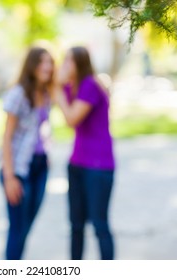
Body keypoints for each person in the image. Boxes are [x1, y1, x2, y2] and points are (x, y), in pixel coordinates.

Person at [55, 46, 115, 260]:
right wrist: (61, 87)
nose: (64, 65)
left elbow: (72, 119)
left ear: (79, 63)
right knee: (76, 226)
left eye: (68, 61)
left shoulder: (90, 85)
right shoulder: (75, 87)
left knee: (99, 224)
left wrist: (57, 90)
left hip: (98, 166)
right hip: (78, 163)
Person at [0, 46, 54, 260]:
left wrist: (47, 152)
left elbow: (42, 127)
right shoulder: (18, 94)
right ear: (32, 65)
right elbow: (6, 138)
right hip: (19, 168)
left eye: (50, 62)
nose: (48, 67)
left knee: (26, 227)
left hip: (40, 165)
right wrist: (9, 176)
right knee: (18, 230)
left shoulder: (46, 93)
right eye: (42, 62)